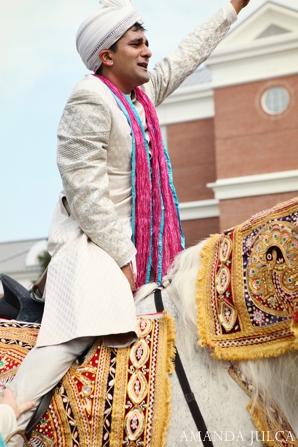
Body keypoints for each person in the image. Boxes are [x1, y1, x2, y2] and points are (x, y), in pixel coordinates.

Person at [6, 0, 250, 444]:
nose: (148, 51)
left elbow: (186, 56)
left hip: (143, 249)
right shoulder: (89, 98)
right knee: (74, 335)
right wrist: (122, 258)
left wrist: (232, 9)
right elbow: (84, 192)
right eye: (136, 43)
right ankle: (11, 414)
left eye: (147, 42)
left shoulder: (141, 97)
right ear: (106, 56)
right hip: (94, 245)